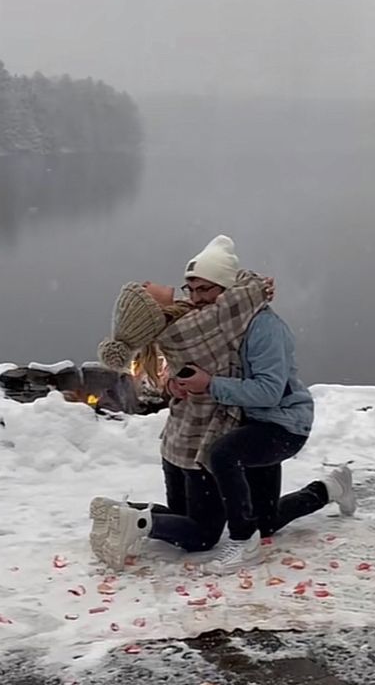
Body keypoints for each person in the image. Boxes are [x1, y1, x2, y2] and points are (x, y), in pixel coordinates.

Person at [91, 235, 355, 571]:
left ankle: (245, 543)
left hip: (280, 423)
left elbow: (269, 393)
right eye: (191, 289)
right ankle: (331, 487)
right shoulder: (211, 323)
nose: (196, 299)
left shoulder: (263, 327)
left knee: (223, 455)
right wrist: (175, 383)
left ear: (226, 290)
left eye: (205, 290)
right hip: (247, 420)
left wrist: (210, 385)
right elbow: (180, 358)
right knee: (266, 518)